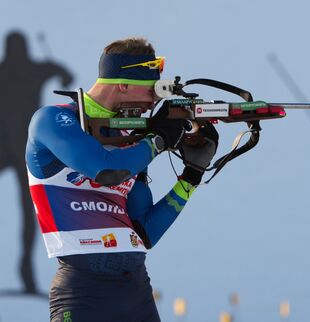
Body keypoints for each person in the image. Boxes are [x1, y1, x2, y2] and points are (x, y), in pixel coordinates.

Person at [26, 37, 217, 322]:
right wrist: (159, 139)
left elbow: (145, 232)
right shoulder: (52, 119)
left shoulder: (130, 141)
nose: (154, 102)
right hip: (84, 292)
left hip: (136, 290)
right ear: (123, 84)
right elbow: (106, 171)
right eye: (152, 91)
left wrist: (191, 176)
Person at [0, 30, 73, 294]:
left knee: (29, 212)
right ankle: (27, 272)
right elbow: (64, 73)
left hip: (17, 148)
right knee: (29, 212)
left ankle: (27, 272)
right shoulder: (34, 69)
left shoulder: (21, 70)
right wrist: (63, 75)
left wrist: (63, 75)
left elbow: (63, 72)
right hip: (18, 148)